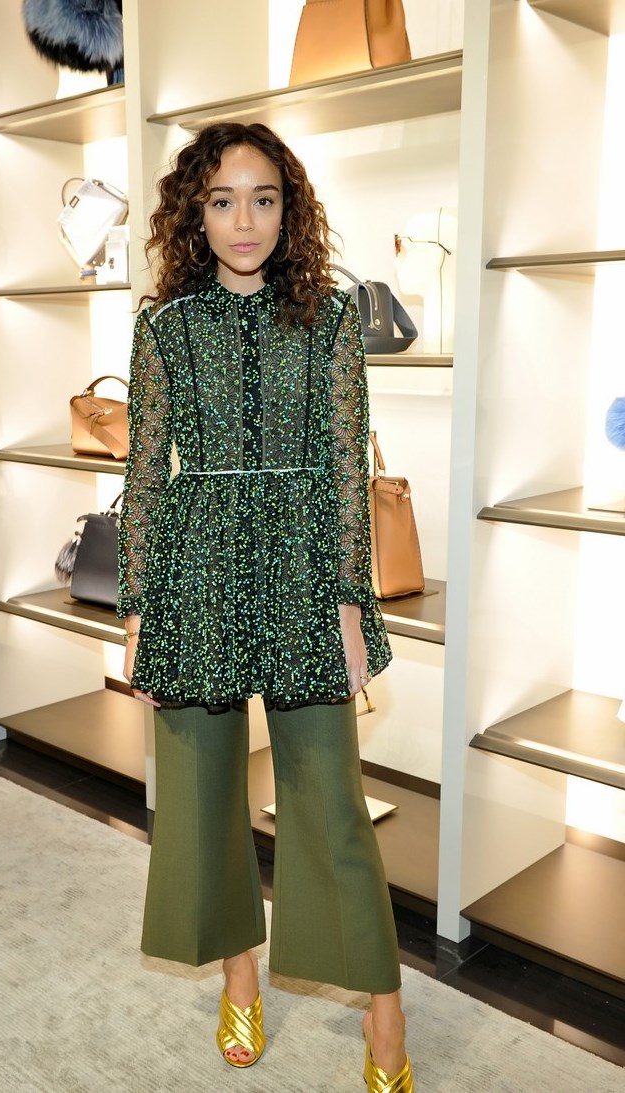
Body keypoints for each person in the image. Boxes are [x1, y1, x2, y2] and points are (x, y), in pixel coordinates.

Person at [117, 121, 413, 1093]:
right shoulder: (164, 328)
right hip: (195, 576)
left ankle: (383, 1008)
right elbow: (146, 474)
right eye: (222, 200)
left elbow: (345, 461)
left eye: (264, 198)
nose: (244, 220)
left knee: (331, 805)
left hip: (302, 575)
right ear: (195, 215)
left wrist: (350, 604)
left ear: (290, 210)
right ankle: (239, 974)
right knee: (200, 802)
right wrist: (137, 613)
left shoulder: (330, 315)